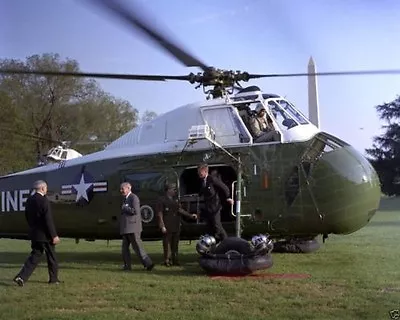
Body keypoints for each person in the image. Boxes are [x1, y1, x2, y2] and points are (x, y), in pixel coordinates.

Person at [13, 180, 61, 286]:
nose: (47, 190)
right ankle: (53, 279)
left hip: (35, 234)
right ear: (43, 188)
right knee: (52, 257)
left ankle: (21, 276)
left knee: (34, 256)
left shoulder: (29, 200)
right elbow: (48, 220)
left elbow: (27, 216)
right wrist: (54, 235)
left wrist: (33, 228)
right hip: (45, 235)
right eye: (46, 188)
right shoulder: (44, 201)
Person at [156, 183, 197, 266]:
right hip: (167, 225)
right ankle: (167, 260)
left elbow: (180, 210)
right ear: (168, 190)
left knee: (175, 244)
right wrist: (162, 225)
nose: (175, 191)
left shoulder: (175, 200)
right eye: (173, 189)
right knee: (167, 244)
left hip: (176, 225)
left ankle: (175, 260)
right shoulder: (162, 200)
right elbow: (159, 214)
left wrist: (190, 215)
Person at [119, 182, 154, 271]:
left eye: (123, 189)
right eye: (121, 189)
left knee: (137, 247)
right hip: (126, 228)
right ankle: (127, 265)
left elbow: (135, 211)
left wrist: (125, 208)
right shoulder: (125, 199)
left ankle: (148, 264)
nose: (121, 191)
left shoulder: (133, 198)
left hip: (133, 227)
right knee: (124, 248)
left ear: (129, 188)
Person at [197, 163, 234, 242]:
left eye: (200, 171)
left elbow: (224, 188)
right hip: (208, 207)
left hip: (215, 207)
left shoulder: (212, 179)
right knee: (210, 227)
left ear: (205, 171)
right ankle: (212, 245)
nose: (199, 173)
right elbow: (203, 191)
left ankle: (227, 242)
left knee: (217, 225)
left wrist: (228, 197)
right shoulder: (203, 181)